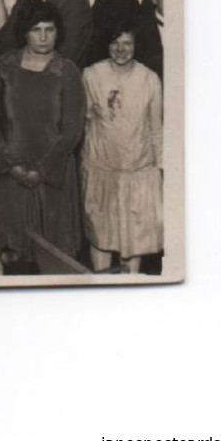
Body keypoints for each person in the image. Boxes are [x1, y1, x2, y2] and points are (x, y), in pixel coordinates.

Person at [0, 0, 86, 267]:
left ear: (57, 32)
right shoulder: (3, 66)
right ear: (24, 32)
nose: (43, 36)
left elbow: (72, 130)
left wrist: (43, 170)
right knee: (11, 259)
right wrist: (10, 165)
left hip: (52, 181)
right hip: (10, 176)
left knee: (53, 263)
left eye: (49, 29)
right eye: (36, 29)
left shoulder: (68, 71)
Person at [80, 22, 163, 273]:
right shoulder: (92, 75)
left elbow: (156, 128)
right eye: (115, 43)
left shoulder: (149, 79)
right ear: (107, 45)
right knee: (101, 235)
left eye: (127, 43)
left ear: (136, 46)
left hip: (137, 171)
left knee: (133, 239)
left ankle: (131, 286)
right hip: (101, 170)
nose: (121, 49)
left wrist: (161, 167)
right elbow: (82, 122)